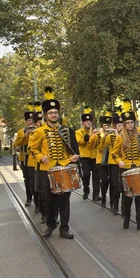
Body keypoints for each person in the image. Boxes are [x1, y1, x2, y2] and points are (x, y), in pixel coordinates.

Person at [28, 87, 79, 239]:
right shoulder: (39, 132)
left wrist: (73, 158)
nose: (53, 114)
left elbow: (72, 150)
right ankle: (51, 225)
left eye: (55, 112)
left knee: (64, 200)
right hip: (47, 169)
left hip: (64, 168)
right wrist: (40, 156)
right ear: (45, 115)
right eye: (50, 113)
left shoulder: (67, 130)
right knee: (49, 201)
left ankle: (64, 228)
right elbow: (32, 148)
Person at [110, 100, 140, 231]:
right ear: (124, 124)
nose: (129, 124)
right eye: (127, 122)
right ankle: (126, 217)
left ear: (134, 123)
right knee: (127, 197)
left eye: (131, 122)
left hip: (138, 168)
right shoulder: (120, 137)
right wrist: (119, 161)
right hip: (126, 169)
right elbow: (114, 153)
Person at [88, 110, 113, 207]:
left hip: (111, 159)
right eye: (105, 125)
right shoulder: (97, 135)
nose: (106, 127)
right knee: (104, 180)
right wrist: (92, 137)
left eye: (108, 125)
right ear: (101, 125)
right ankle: (103, 196)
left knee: (112, 181)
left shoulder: (113, 134)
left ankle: (112, 201)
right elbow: (90, 147)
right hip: (100, 160)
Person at [75, 107, 101, 201]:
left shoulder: (96, 131)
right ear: (83, 123)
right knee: (85, 175)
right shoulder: (78, 132)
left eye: (90, 121)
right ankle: (86, 189)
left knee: (96, 176)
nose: (88, 123)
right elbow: (79, 142)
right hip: (84, 156)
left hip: (94, 156)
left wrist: (97, 135)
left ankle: (96, 194)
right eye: (86, 121)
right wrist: (89, 136)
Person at [14, 103, 36, 205]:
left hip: (35, 158)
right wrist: (25, 135)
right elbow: (16, 144)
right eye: (28, 120)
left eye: (32, 120)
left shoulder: (38, 130)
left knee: (35, 179)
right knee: (27, 179)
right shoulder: (21, 131)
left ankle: (38, 201)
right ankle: (29, 198)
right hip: (25, 157)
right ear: (26, 121)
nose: (30, 122)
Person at [28, 105, 46, 222]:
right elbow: (28, 146)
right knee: (38, 189)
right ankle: (41, 208)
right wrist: (28, 134)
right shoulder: (32, 132)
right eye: (37, 121)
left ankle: (50, 214)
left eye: (41, 120)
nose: (40, 123)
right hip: (33, 163)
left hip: (47, 164)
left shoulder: (47, 130)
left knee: (49, 192)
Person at [104, 107, 123, 215]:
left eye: (122, 125)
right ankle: (114, 204)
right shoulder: (110, 136)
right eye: (119, 125)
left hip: (124, 162)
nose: (121, 127)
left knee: (123, 185)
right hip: (113, 162)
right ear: (115, 126)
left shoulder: (127, 135)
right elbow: (104, 146)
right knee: (115, 184)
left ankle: (123, 206)